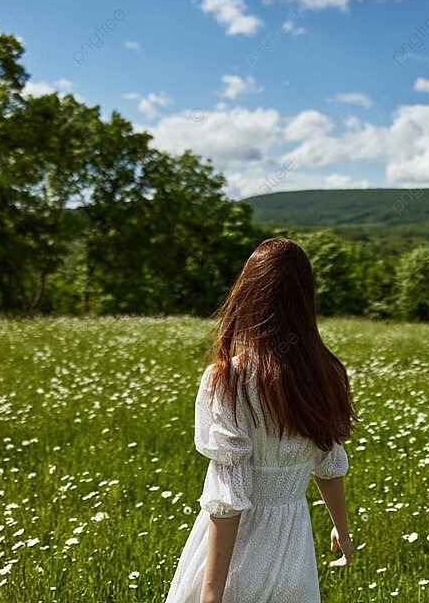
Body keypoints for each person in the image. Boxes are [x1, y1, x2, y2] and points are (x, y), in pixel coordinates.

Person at [166, 237, 356, 603]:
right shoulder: (326, 374)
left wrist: (210, 595)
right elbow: (328, 464)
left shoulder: (228, 380)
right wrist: (341, 530)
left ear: (247, 294)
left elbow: (228, 498)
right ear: (305, 299)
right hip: (292, 555)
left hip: (232, 559)